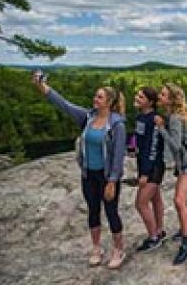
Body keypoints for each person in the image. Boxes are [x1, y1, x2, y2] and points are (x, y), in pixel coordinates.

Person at [32, 73, 127, 269]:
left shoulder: (117, 125)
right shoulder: (87, 117)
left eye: (99, 97)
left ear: (109, 102)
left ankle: (118, 249)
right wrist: (43, 87)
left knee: (111, 212)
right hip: (88, 175)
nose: (95, 99)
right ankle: (96, 248)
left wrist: (112, 181)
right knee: (93, 211)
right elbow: (64, 104)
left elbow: (118, 156)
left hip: (106, 176)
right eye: (95, 96)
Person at [154, 83, 187, 265]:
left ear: (171, 99)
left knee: (179, 201)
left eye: (163, 94)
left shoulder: (173, 118)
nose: (159, 96)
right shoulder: (182, 114)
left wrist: (161, 128)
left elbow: (176, 145)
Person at [133, 87, 167, 252]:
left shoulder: (154, 120)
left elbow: (152, 148)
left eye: (141, 96)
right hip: (144, 165)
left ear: (150, 102)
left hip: (153, 167)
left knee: (140, 203)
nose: (137, 98)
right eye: (137, 95)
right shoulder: (140, 117)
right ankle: (159, 230)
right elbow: (140, 141)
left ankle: (153, 238)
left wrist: (145, 173)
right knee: (155, 199)